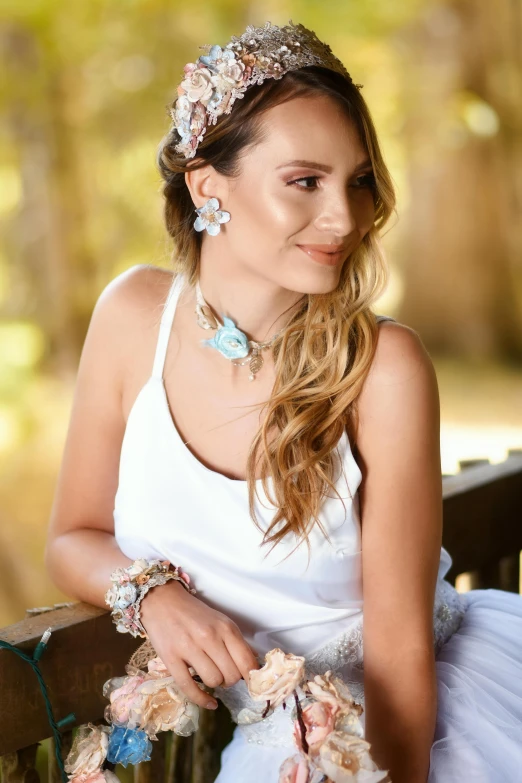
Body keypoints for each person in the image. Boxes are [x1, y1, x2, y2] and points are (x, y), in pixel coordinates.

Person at [45, 19, 522, 783]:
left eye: (358, 180)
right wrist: (153, 594)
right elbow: (72, 535)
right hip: (274, 742)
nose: (345, 217)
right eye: (306, 181)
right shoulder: (133, 316)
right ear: (209, 186)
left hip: (416, 731)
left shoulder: (384, 369)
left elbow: (399, 660)